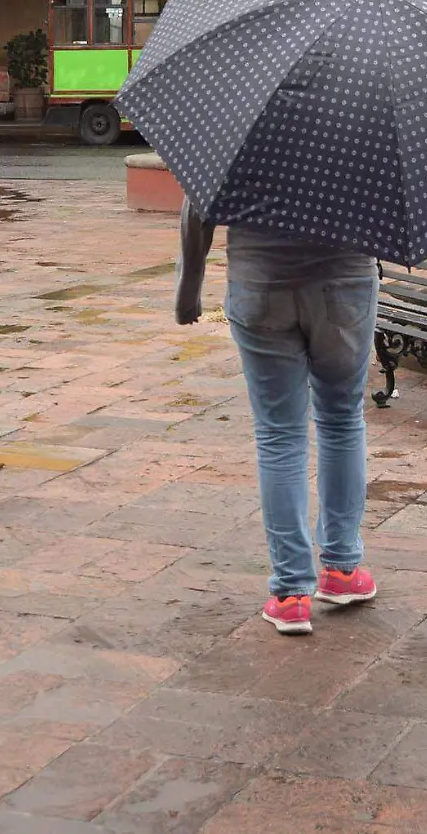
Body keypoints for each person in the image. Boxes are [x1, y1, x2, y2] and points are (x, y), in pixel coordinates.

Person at [176, 198, 379, 636]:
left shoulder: (241, 130)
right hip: (344, 284)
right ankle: (342, 570)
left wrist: (188, 291)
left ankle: (290, 595)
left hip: (259, 282)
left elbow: (198, 205)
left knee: (279, 435)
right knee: (342, 419)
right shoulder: (372, 131)